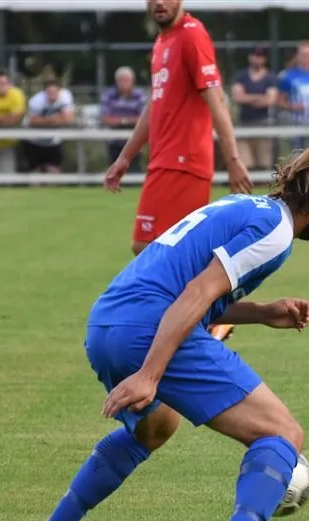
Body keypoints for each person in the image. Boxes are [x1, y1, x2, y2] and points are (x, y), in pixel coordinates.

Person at [18, 146, 309, 521]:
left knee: (157, 425)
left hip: (107, 322)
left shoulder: (243, 205)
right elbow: (195, 293)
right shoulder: (277, 233)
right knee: (282, 432)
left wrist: (262, 311)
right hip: (146, 328)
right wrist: (149, 374)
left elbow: (196, 290)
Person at [104, 0, 251, 342]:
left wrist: (232, 158)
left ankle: (209, 316)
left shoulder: (192, 35)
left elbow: (216, 98)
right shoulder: (162, 42)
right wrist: (126, 156)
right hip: (164, 160)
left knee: (149, 245)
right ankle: (205, 318)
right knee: (165, 249)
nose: (159, 2)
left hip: (184, 161)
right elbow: (155, 106)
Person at [232, 46, 278, 172]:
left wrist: (248, 97)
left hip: (263, 124)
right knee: (246, 164)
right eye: (255, 56)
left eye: (260, 56)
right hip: (244, 123)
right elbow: (238, 97)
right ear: (250, 57)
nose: (257, 59)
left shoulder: (270, 77)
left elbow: (270, 100)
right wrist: (259, 97)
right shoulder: (241, 76)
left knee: (264, 163)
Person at [100, 66, 148, 173]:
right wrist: (129, 120)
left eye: (126, 80)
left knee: (134, 171)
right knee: (114, 171)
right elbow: (106, 119)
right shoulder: (109, 95)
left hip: (134, 141)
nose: (123, 83)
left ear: (133, 81)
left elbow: (144, 119)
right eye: (121, 80)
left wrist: (120, 120)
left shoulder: (139, 95)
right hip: (114, 141)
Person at [23, 79, 75, 174]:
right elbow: (33, 121)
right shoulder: (37, 100)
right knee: (35, 172)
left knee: (54, 171)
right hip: (34, 140)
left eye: (54, 92)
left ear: (59, 91)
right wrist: (53, 119)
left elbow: (68, 119)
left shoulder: (65, 96)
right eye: (49, 92)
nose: (52, 94)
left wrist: (44, 120)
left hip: (53, 140)